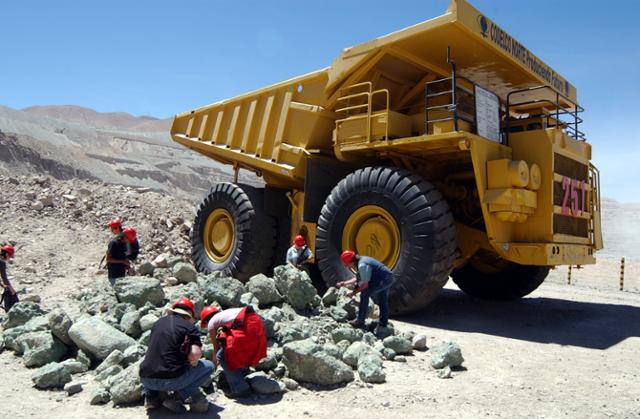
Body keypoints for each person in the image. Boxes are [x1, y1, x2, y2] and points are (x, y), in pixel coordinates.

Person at [139, 297, 213, 413]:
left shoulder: (158, 323)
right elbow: (195, 354)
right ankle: (177, 398)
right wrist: (192, 364)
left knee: (151, 361)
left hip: (145, 378)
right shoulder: (189, 327)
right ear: (189, 316)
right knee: (208, 366)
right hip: (171, 381)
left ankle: (151, 398)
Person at [200, 304, 267, 399]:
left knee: (222, 356)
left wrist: (213, 369)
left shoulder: (211, 322)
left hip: (246, 329)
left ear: (206, 320)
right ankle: (242, 373)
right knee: (236, 350)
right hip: (256, 325)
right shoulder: (227, 314)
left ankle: (240, 388)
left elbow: (216, 348)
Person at [335, 250, 394, 330]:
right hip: (387, 277)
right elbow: (358, 278)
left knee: (365, 293)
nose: (348, 267)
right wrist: (344, 283)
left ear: (351, 262)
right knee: (382, 299)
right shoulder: (361, 260)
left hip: (384, 279)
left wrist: (353, 293)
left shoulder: (362, 265)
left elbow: (365, 285)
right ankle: (383, 323)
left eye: (347, 265)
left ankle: (360, 321)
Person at [0, 244, 19, 312]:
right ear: (7, 255)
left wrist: (3, 285)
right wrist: (12, 290)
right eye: (10, 257)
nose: (9, 259)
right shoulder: (1, 263)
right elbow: (4, 278)